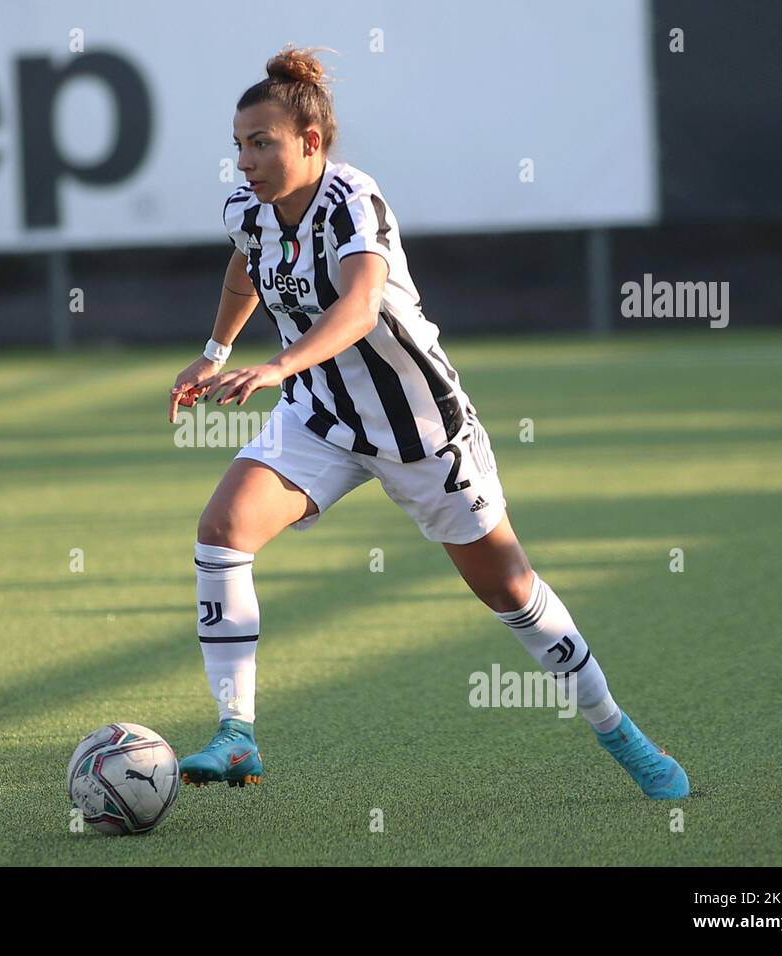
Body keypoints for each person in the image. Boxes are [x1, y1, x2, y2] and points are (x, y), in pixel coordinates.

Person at [167, 45, 689, 800]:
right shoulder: (244, 210)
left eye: (261, 143)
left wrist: (276, 364)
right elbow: (244, 268)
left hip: (421, 431)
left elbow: (358, 306)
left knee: (511, 591)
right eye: (238, 145)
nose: (244, 161)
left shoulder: (353, 200)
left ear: (310, 142)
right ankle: (236, 733)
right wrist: (214, 352)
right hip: (317, 416)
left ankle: (620, 731)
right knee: (221, 533)